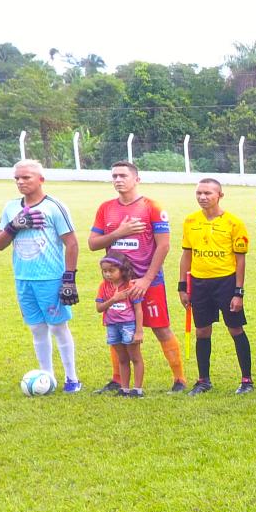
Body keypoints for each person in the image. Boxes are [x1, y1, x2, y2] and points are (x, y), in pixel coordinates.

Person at [88, 161, 188, 393]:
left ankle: (180, 379)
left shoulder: (151, 207)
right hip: (116, 284)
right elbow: (93, 244)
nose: (118, 180)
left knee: (160, 328)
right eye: (114, 176)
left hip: (148, 280)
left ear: (136, 179)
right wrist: (118, 233)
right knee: (116, 326)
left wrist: (146, 280)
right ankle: (117, 380)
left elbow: (163, 246)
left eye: (123, 175)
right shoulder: (106, 208)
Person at [0, 159, 81, 392]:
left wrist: (69, 278)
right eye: (17, 178)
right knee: (37, 329)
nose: (20, 182)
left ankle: (72, 379)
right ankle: (46, 377)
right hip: (23, 278)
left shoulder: (54, 206)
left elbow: (71, 243)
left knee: (58, 327)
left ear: (41, 179)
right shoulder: (11, 207)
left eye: (26, 177)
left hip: (50, 278)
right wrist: (13, 226)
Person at [179, 178, 254, 394]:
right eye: (199, 193)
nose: (202, 197)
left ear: (220, 195)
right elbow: (186, 255)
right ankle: (203, 380)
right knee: (202, 331)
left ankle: (246, 380)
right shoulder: (190, 221)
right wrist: (182, 287)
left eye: (208, 193)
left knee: (235, 329)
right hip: (200, 284)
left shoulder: (234, 223)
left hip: (226, 283)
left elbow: (240, 259)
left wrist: (238, 292)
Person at [96, 253, 145, 397]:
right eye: (105, 271)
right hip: (112, 326)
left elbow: (138, 309)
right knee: (122, 359)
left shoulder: (130, 287)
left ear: (122, 270)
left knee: (135, 357)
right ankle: (124, 389)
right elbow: (99, 308)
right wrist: (114, 299)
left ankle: (137, 390)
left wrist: (139, 331)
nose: (107, 274)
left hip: (128, 326)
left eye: (111, 271)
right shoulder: (103, 287)